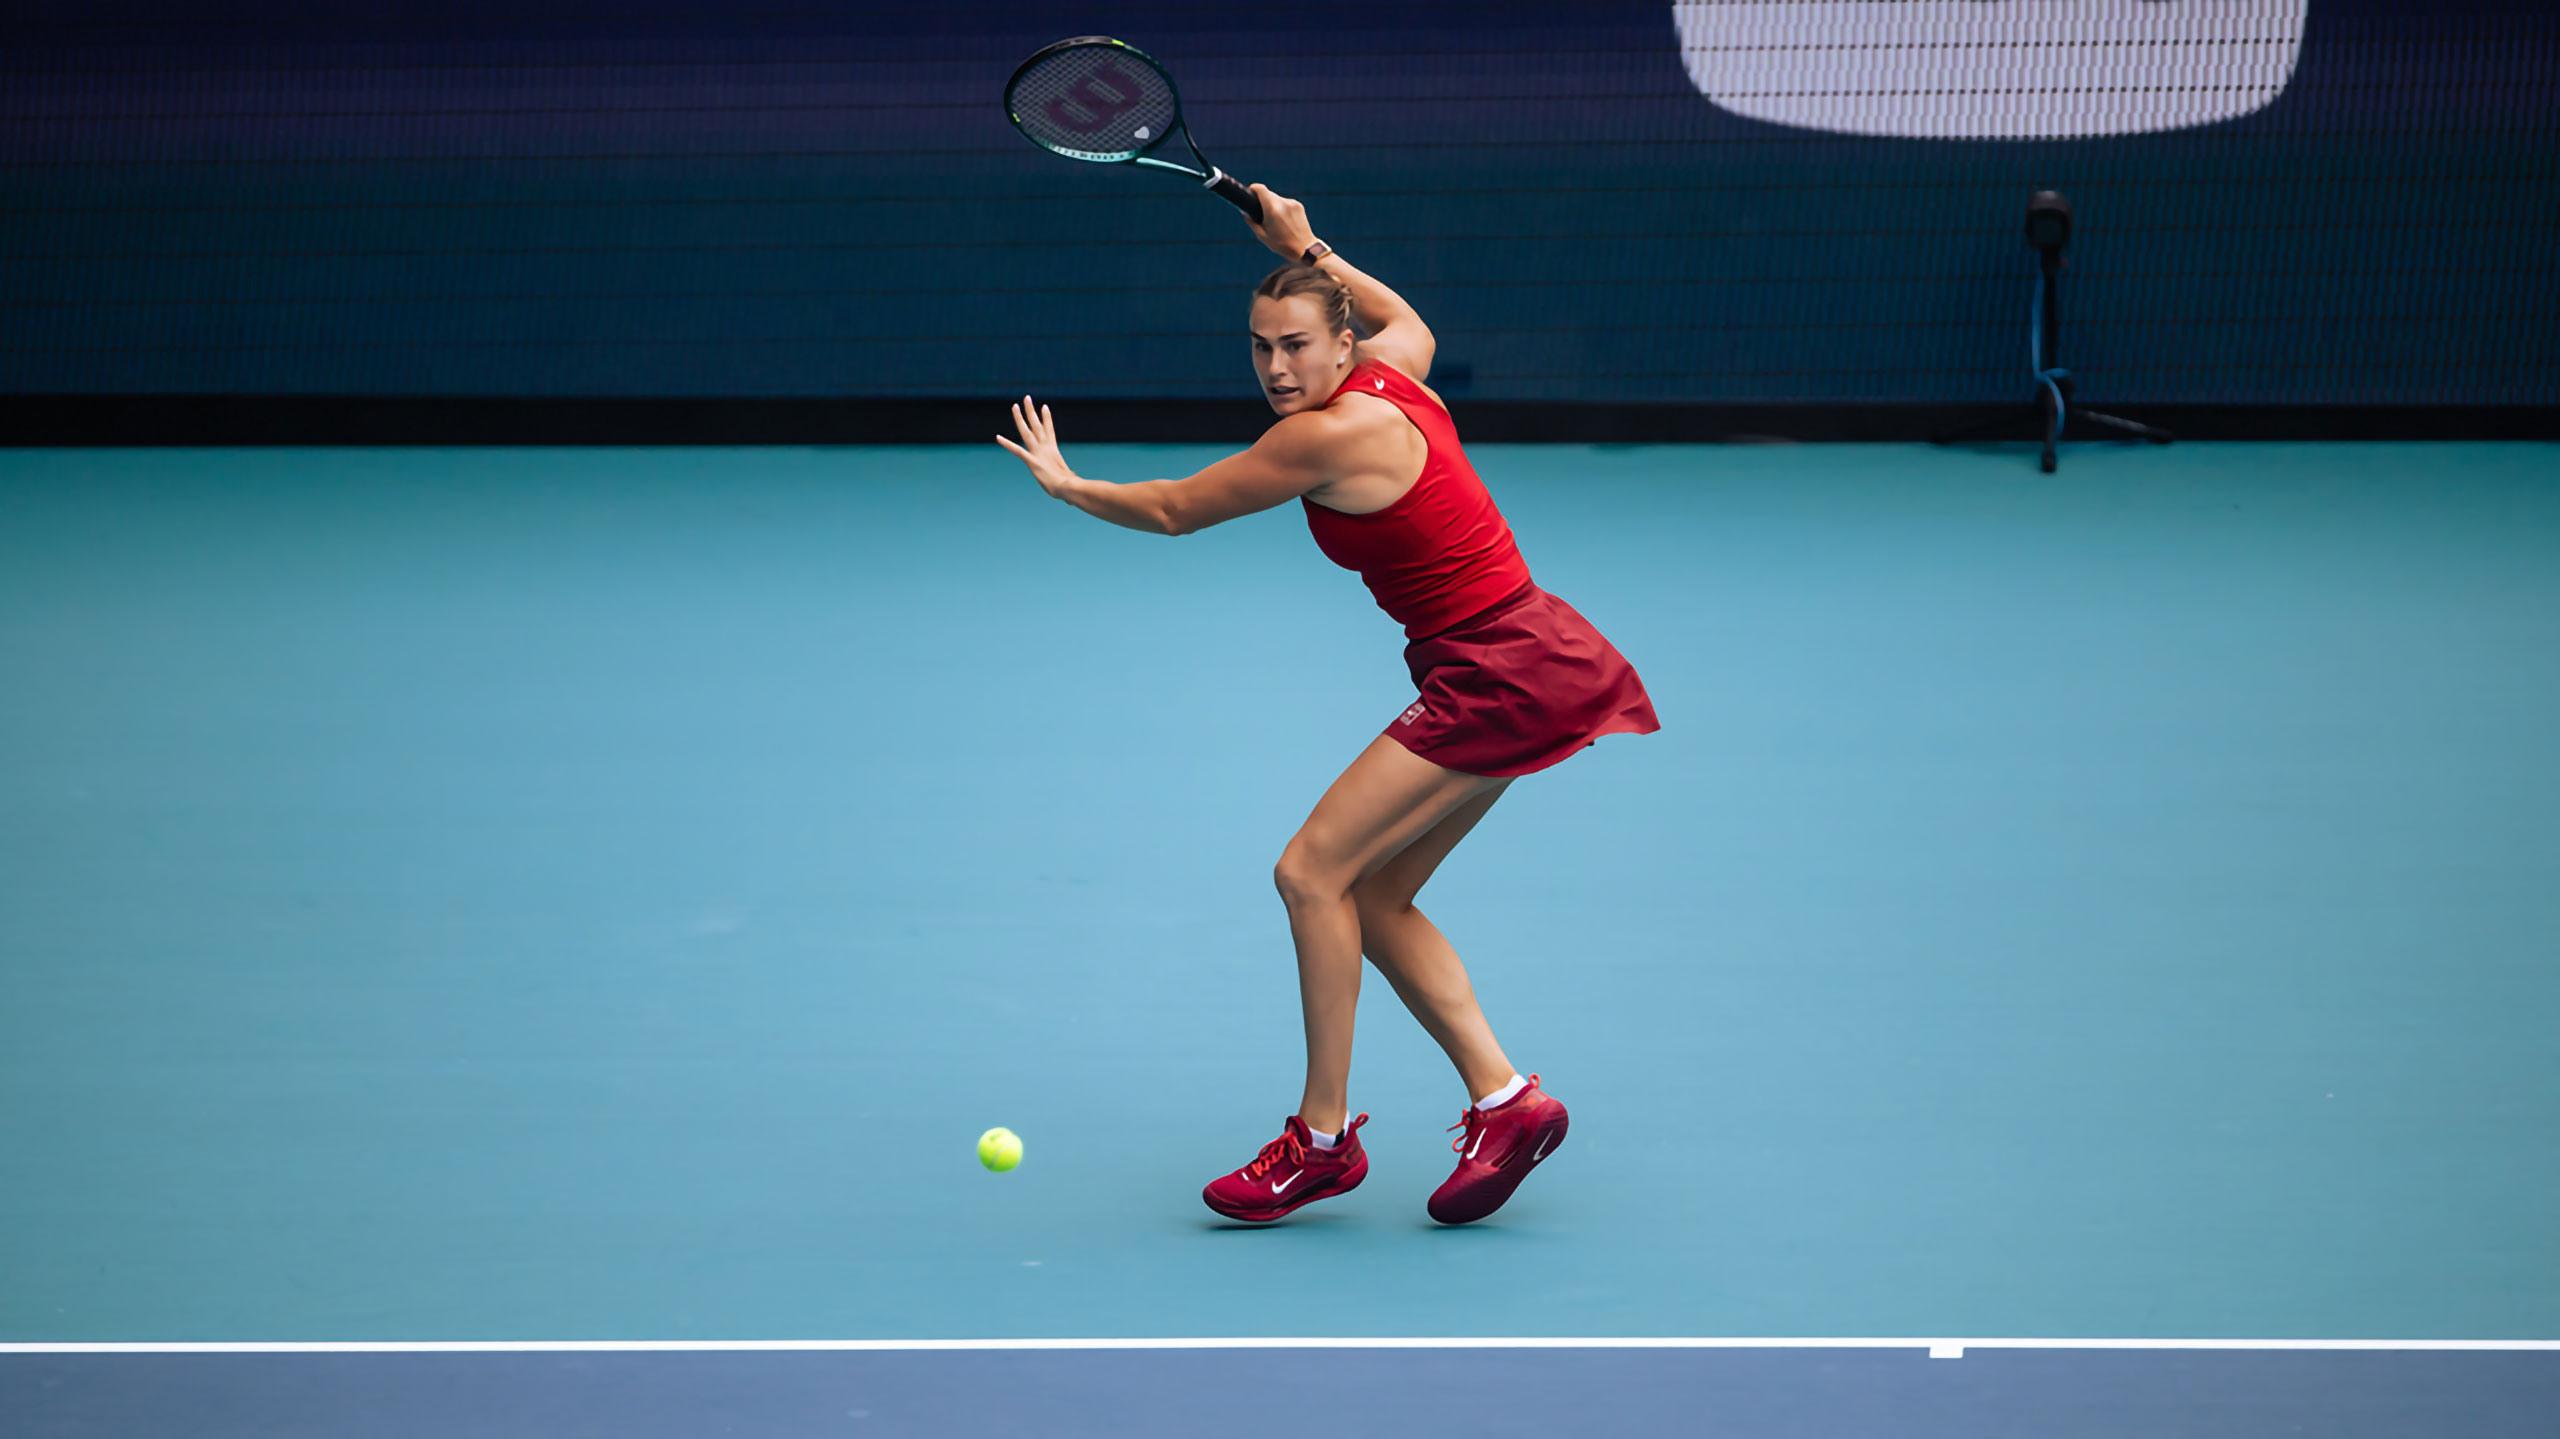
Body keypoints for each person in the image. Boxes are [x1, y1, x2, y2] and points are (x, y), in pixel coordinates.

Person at [995, 185, 1657, 1225]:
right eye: (1260, 346)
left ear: (1339, 348)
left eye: (1298, 344)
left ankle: (1320, 1137)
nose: (1276, 368)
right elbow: (1413, 325)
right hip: (1530, 653)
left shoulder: (1327, 435)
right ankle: (1507, 1098)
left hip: (1496, 668)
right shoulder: (1395, 377)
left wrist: (1070, 486)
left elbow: (1174, 511)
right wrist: (1308, 248)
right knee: (1376, 893)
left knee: (1309, 871)